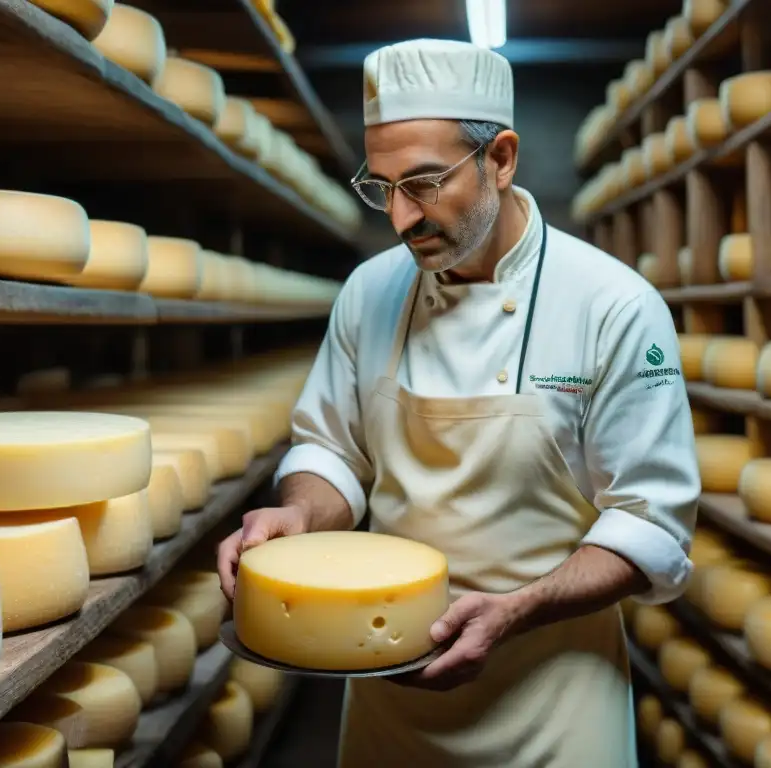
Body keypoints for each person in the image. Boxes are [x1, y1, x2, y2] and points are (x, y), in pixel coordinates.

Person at [218, 38, 700, 767]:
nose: (402, 218)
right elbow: (333, 451)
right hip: (388, 685)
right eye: (382, 188)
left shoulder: (614, 306)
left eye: (424, 183)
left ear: (501, 159)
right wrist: (300, 514)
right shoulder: (369, 292)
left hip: (554, 696)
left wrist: (515, 611)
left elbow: (650, 522)